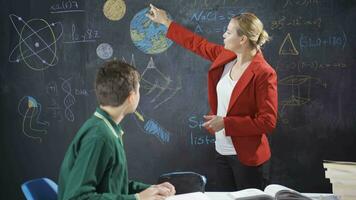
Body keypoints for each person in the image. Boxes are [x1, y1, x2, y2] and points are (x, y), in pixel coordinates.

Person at [147, 4, 278, 191]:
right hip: (222, 152)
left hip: (248, 159)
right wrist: (165, 22)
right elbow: (196, 43)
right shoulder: (226, 57)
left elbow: (268, 122)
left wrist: (226, 123)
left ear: (242, 39)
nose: (224, 35)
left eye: (229, 32)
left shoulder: (264, 73)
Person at [58, 60, 175, 200]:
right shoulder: (99, 136)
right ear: (131, 97)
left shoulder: (107, 128)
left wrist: (150, 189)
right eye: (139, 90)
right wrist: (137, 198)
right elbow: (76, 198)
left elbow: (112, 185)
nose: (139, 95)